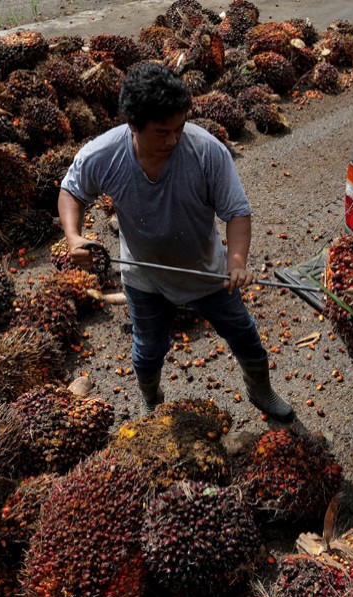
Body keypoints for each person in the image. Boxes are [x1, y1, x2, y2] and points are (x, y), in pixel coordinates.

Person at [58, 62, 294, 422]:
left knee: (244, 334)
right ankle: (151, 400)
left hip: (207, 272)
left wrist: (236, 261)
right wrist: (74, 237)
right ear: (133, 125)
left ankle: (261, 389)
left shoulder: (206, 151)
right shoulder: (103, 156)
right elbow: (71, 191)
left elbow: (236, 212)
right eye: (161, 132)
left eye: (179, 128)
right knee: (148, 350)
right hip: (145, 275)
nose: (172, 140)